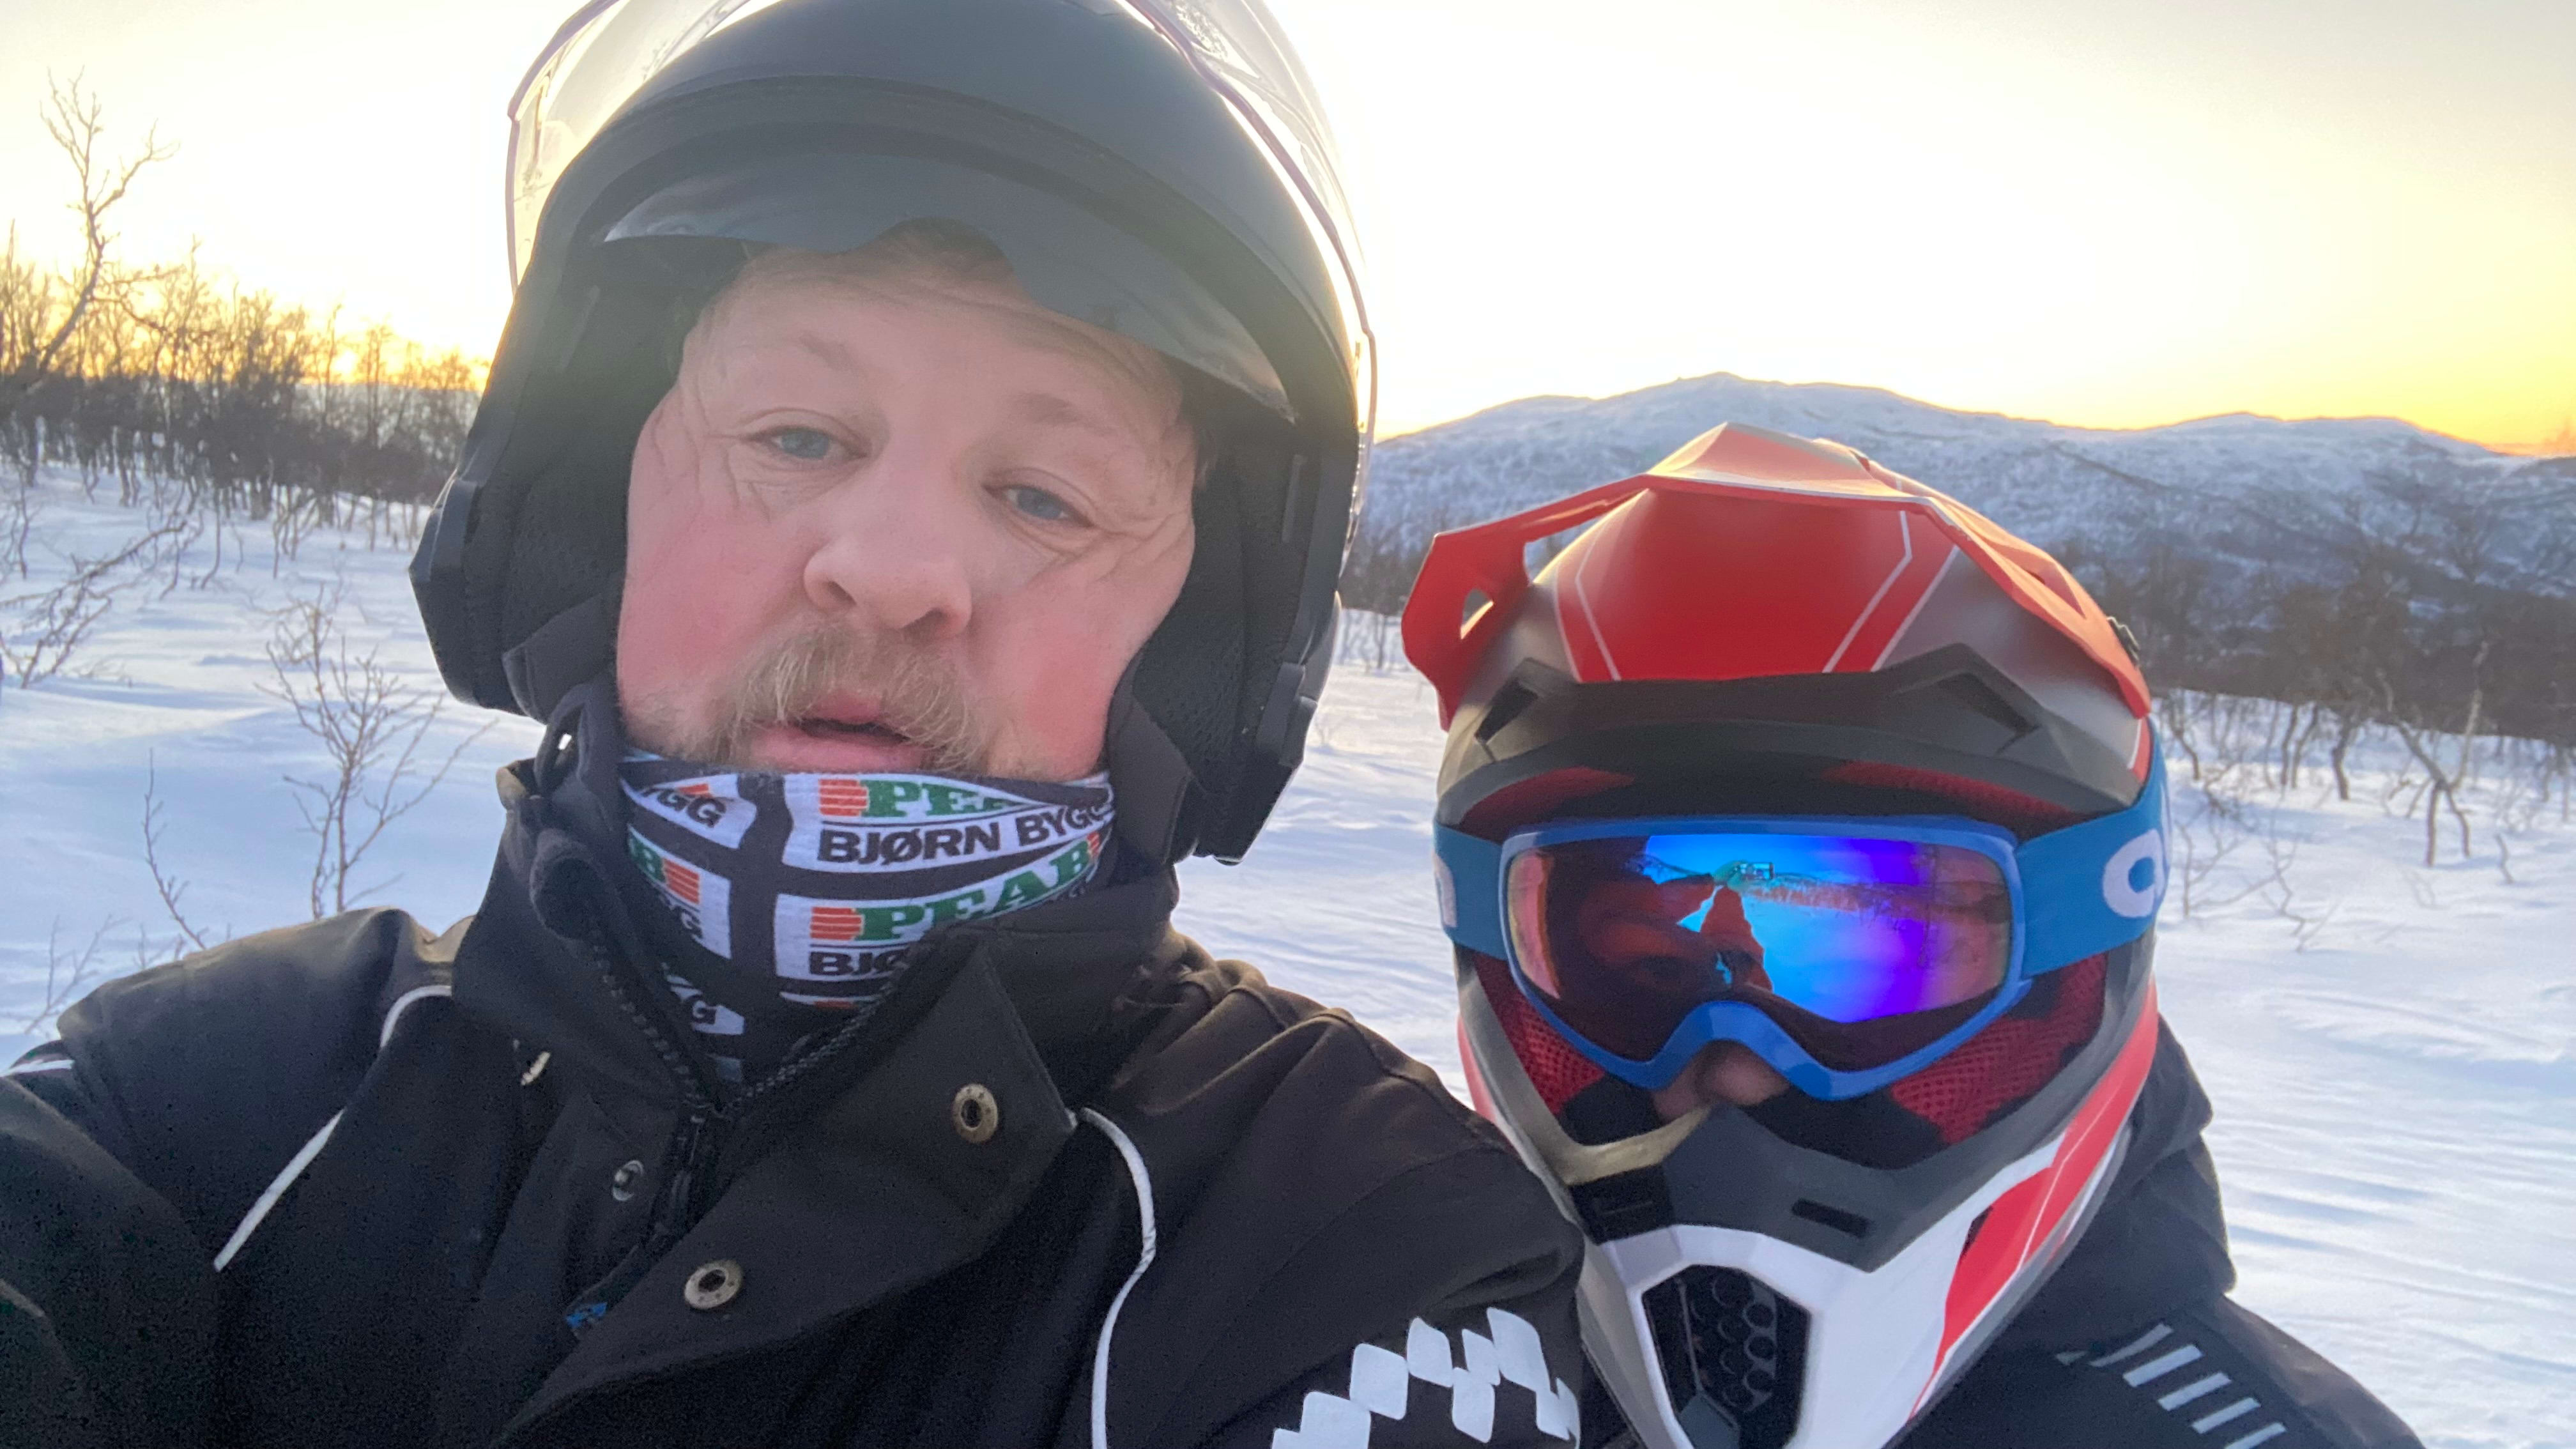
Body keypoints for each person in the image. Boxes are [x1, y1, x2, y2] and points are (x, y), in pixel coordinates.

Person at [0, 3, 1588, 1445]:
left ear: (1184, 647)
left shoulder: (1352, 1249)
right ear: (602, 516)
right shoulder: (207, 1096)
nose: (891, 570)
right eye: (798, 435)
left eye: (1044, 495)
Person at [1399, 422, 2423, 1449]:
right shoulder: (1422, 1381)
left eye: (1863, 960)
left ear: (2068, 973)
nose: (1738, 1070)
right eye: (1646, 970)